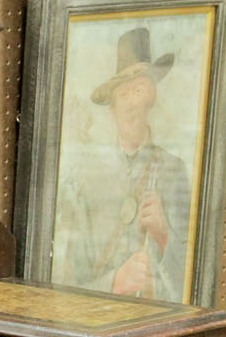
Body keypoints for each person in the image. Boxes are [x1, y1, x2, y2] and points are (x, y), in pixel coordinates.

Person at [53, 26, 193, 300]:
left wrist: (165, 236)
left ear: (152, 98)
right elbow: (64, 283)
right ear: (113, 108)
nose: (131, 104)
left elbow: (193, 283)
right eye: (123, 94)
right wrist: (113, 283)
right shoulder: (86, 175)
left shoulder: (173, 170)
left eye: (138, 91)